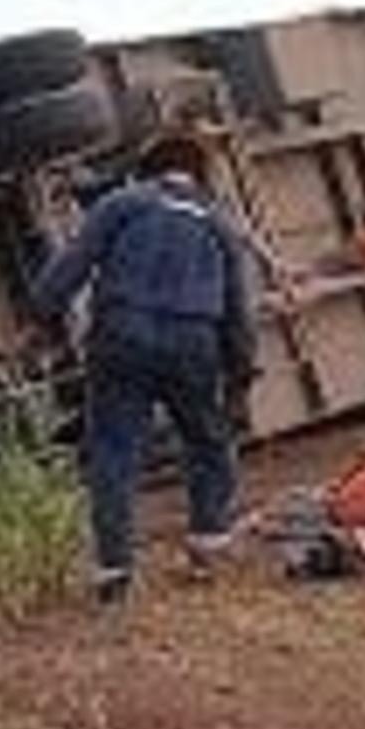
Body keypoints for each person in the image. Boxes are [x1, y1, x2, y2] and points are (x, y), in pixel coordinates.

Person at [31, 133, 259, 604]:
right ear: (199, 174)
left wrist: (42, 314)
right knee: (208, 443)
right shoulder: (219, 222)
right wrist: (241, 371)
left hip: (121, 335)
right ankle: (207, 547)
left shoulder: (122, 203)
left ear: (150, 169)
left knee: (113, 452)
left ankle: (113, 571)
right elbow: (239, 309)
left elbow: (70, 266)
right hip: (194, 341)